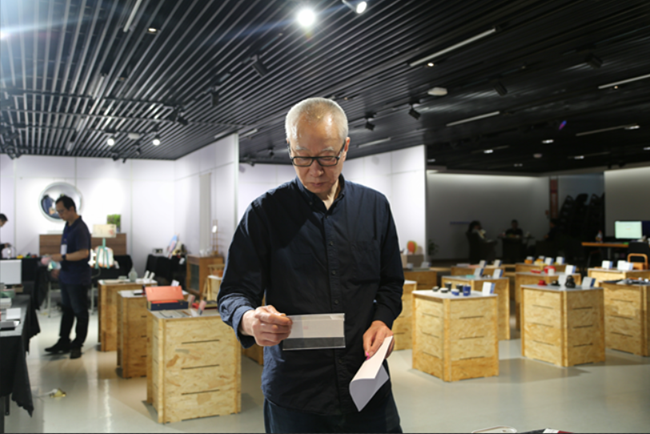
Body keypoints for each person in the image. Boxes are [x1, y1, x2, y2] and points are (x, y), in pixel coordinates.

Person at [218, 97, 404, 433]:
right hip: (296, 394)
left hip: (367, 387)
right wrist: (249, 320)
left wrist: (382, 320)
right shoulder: (263, 214)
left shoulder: (375, 207)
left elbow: (391, 282)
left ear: (346, 147)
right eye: (302, 157)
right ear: (290, 147)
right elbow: (233, 293)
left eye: (327, 157)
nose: (315, 170)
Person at [45, 196, 91, 359]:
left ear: (72, 209)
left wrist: (62, 258)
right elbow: (66, 251)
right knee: (67, 310)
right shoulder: (68, 226)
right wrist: (59, 267)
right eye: (58, 212)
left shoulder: (80, 228)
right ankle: (64, 340)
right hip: (66, 276)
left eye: (62, 211)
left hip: (77, 278)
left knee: (80, 312)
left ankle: (77, 344)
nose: (60, 215)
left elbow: (83, 253)